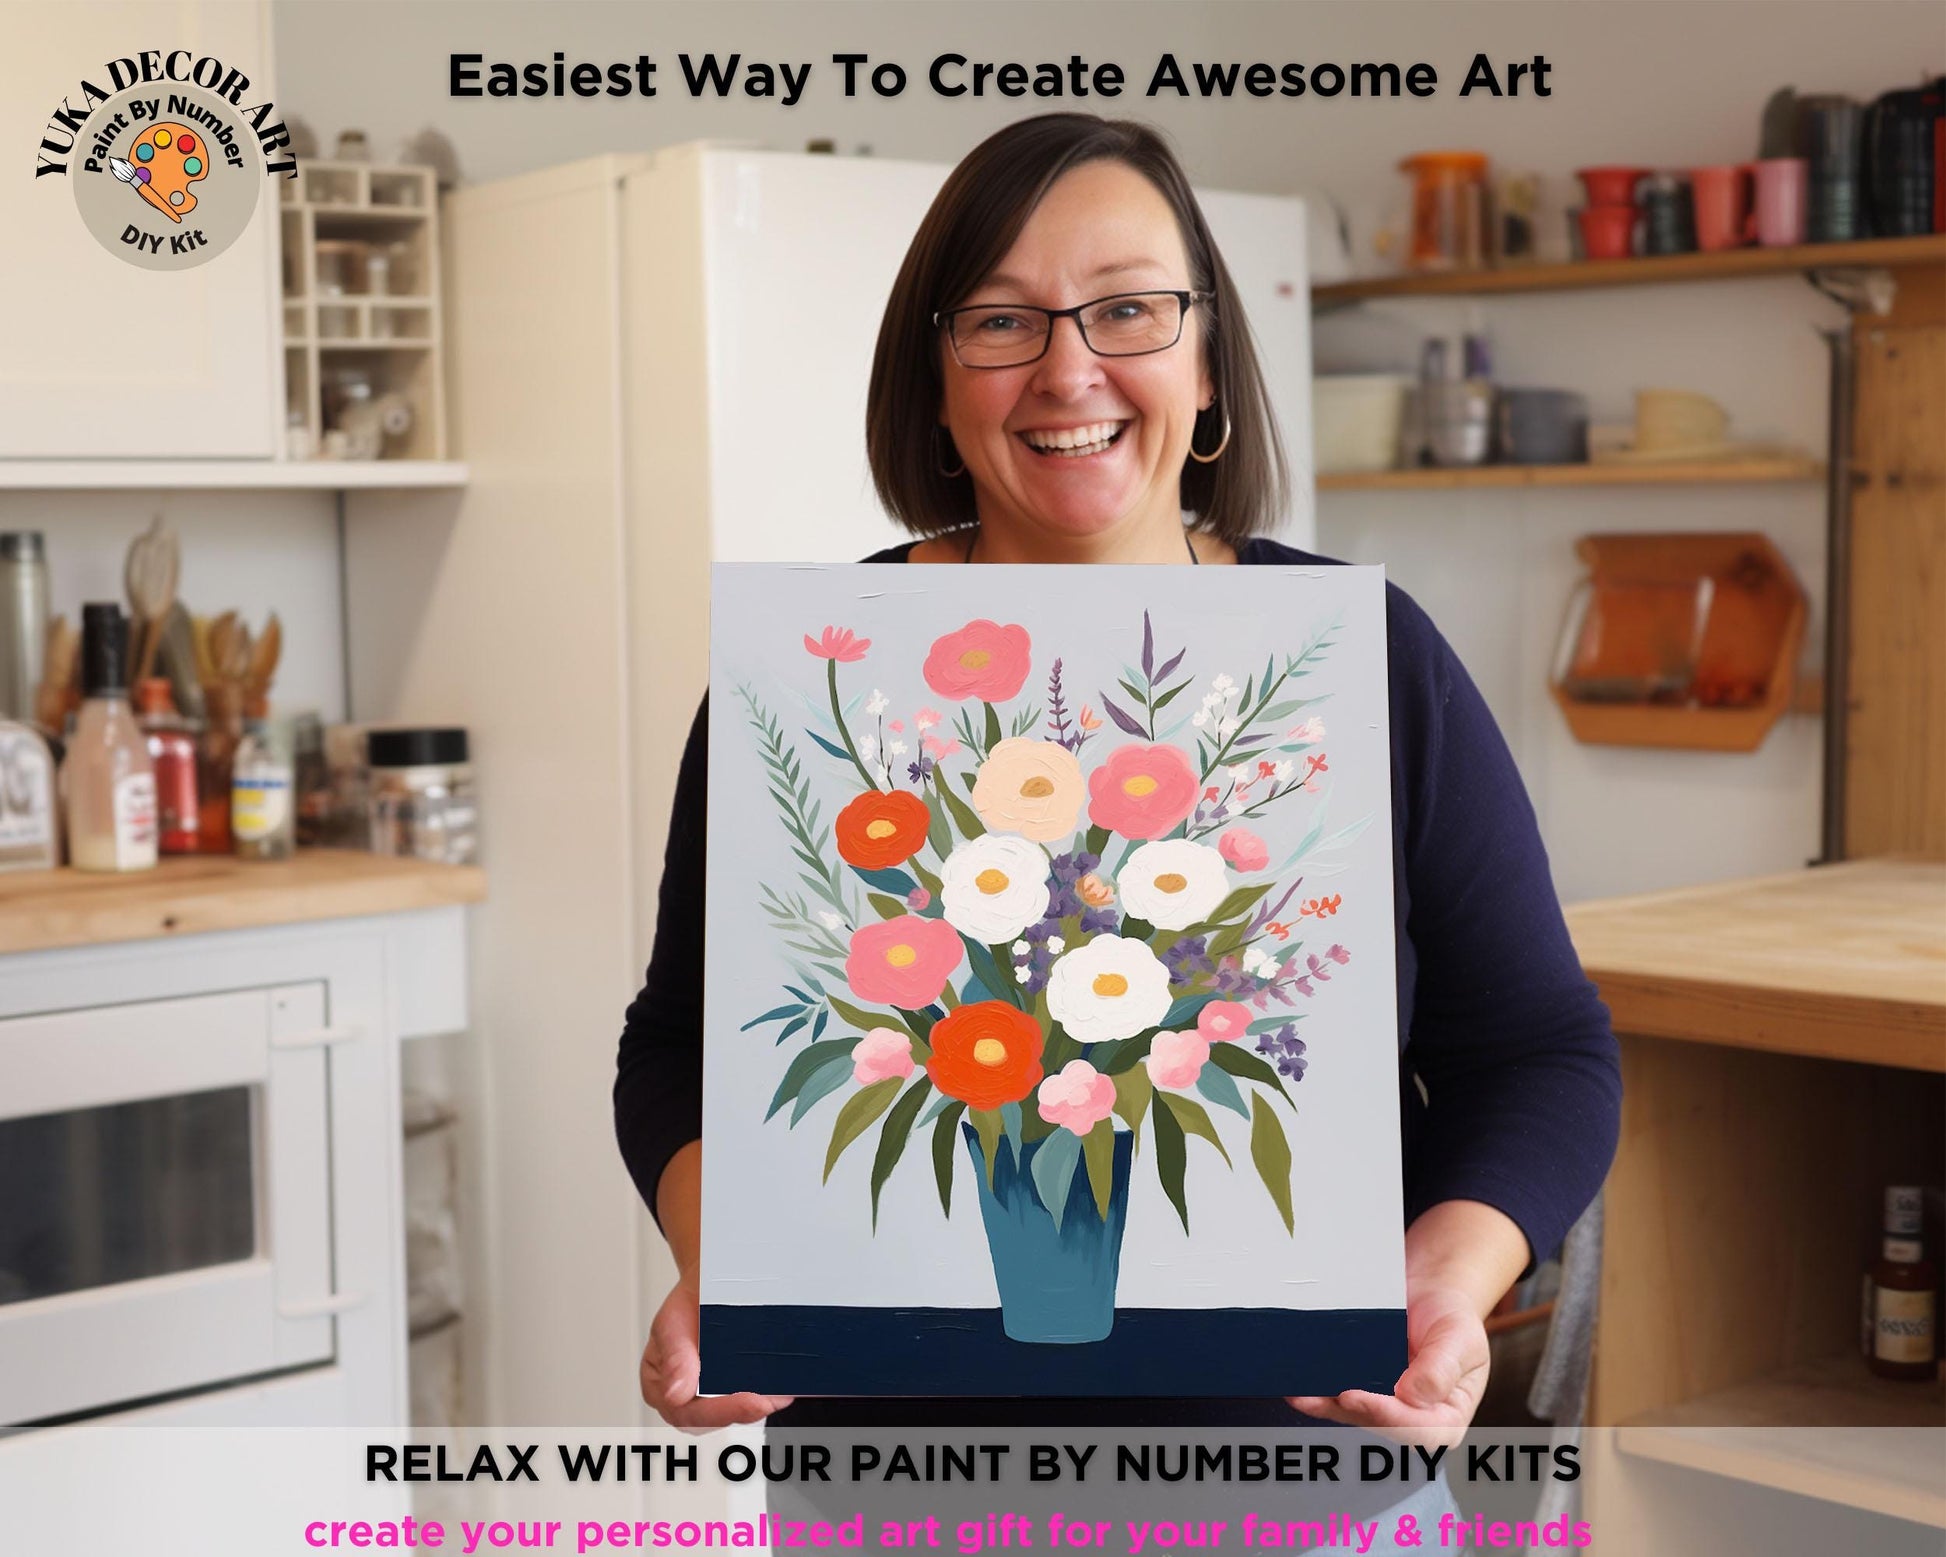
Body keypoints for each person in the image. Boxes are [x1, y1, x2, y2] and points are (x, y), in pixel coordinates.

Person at [615, 112, 1619, 1500]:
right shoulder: (815, 682)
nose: (1067, 367)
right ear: (937, 379)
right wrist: (725, 1254)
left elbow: (1538, 1046)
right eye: (1001, 322)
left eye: (1128, 310)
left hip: (1294, 1490)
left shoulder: (1365, 660)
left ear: (1206, 366)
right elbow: (678, 1047)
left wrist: (1443, 1276)